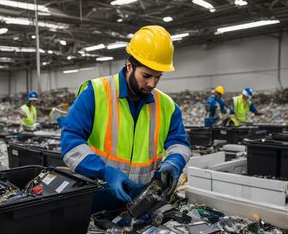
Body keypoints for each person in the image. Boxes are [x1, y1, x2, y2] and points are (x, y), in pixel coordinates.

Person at [61, 25, 191, 208]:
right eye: (146, 75)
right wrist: (105, 171)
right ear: (129, 66)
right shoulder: (96, 93)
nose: (152, 83)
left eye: (158, 77)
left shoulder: (167, 106)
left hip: (144, 199)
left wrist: (174, 162)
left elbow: (180, 144)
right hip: (99, 194)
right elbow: (70, 142)